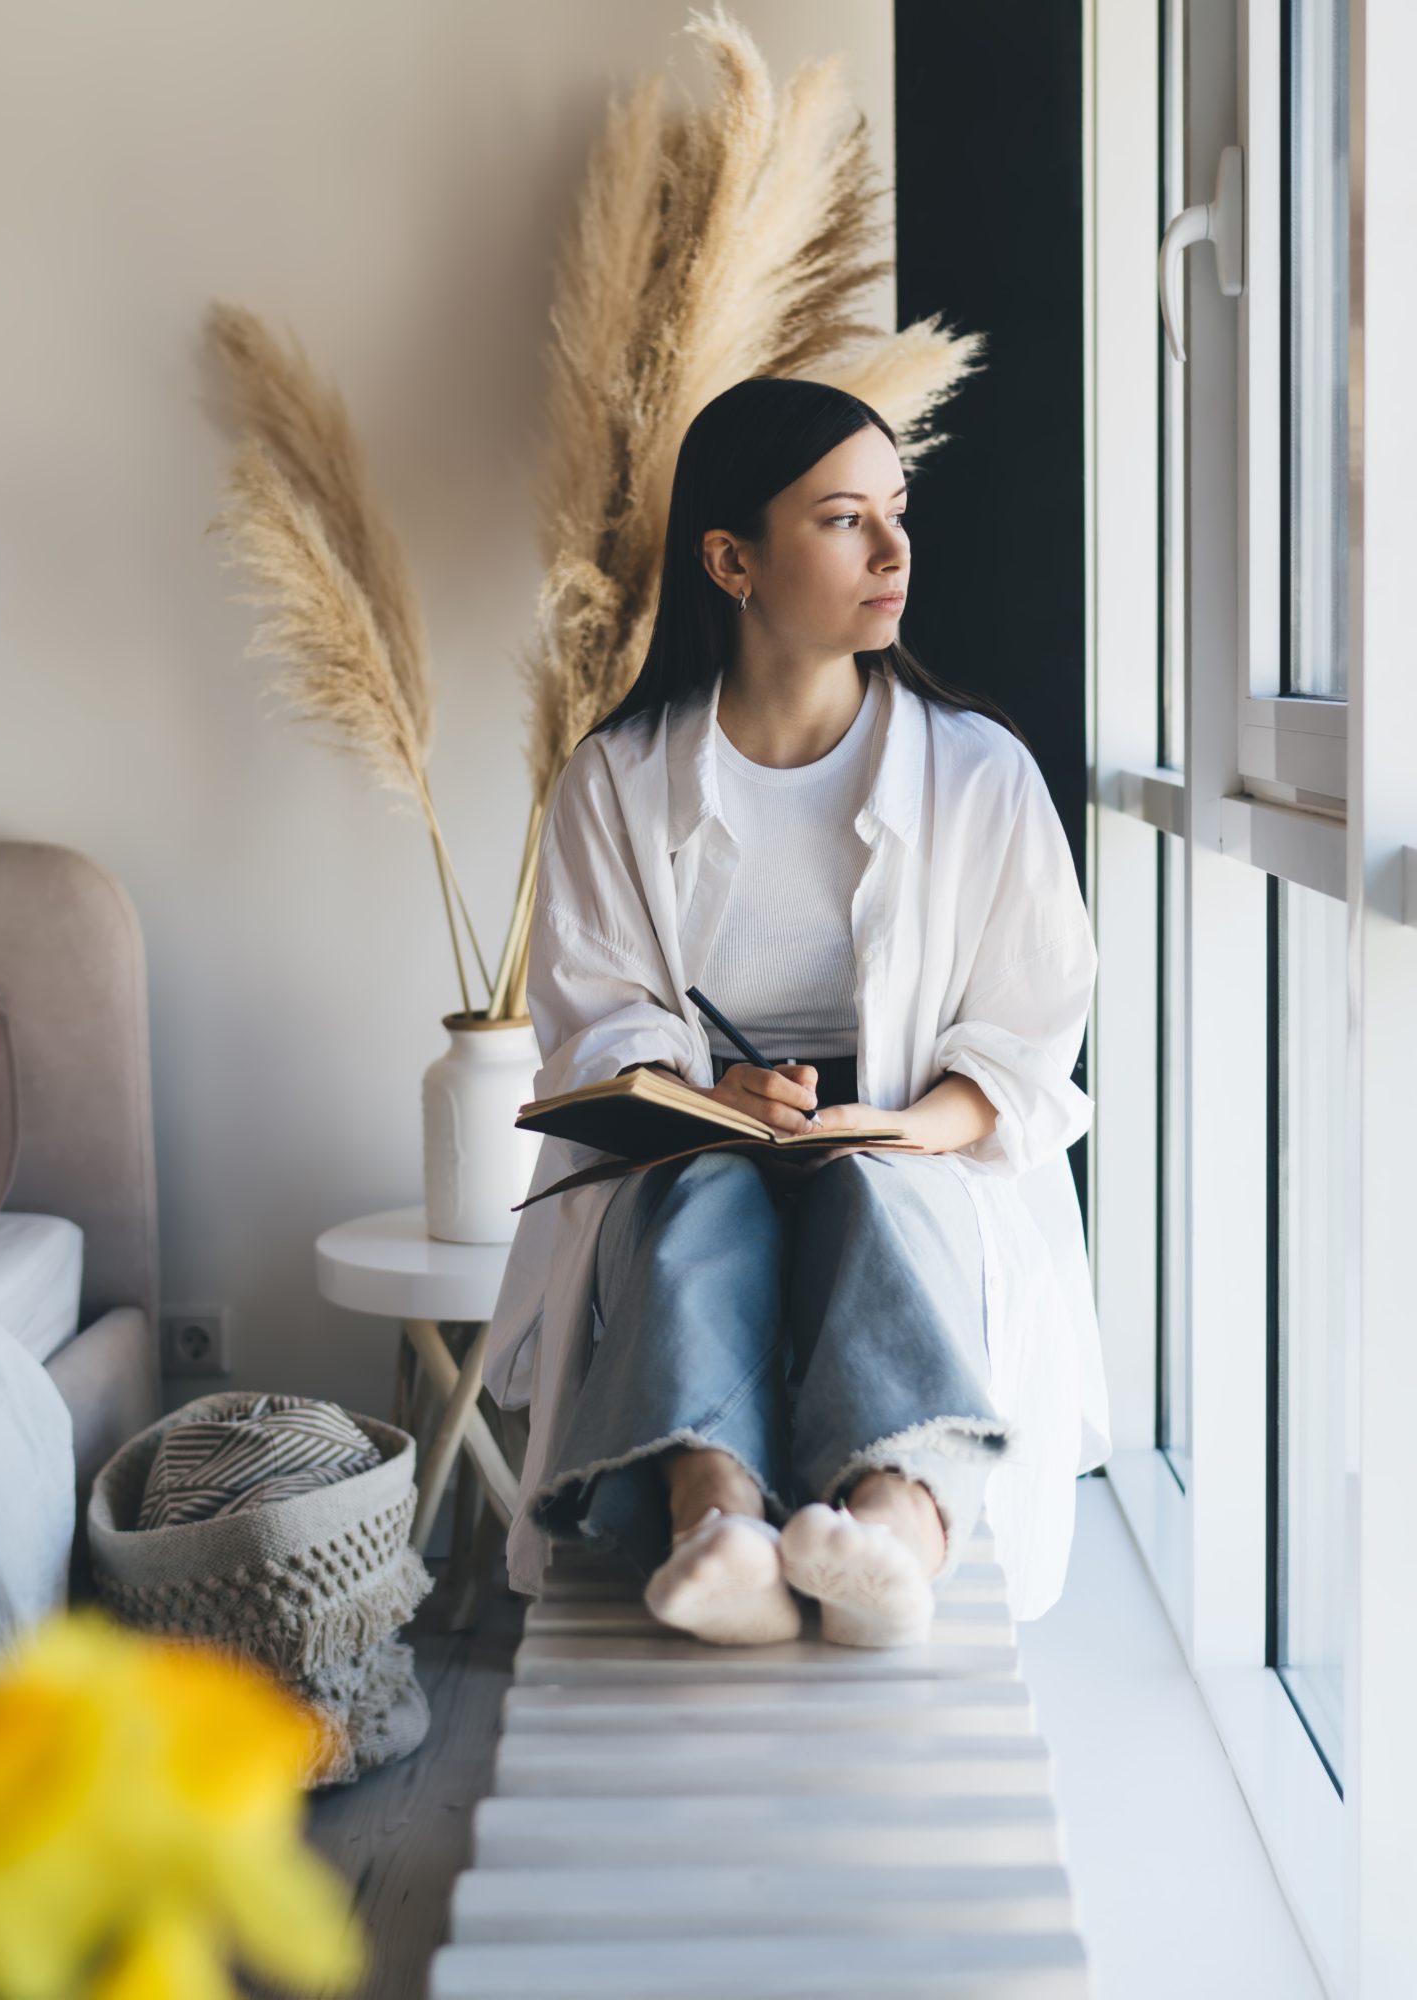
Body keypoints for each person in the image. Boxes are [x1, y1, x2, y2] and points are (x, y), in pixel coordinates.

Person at [481, 376, 1109, 1645]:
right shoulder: (614, 779)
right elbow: (597, 1016)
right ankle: (717, 1521)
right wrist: (706, 1102)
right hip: (702, 1130)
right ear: (731, 558)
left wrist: (906, 1125)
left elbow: (1033, 1026)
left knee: (876, 1198)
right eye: (841, 519)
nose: (893, 552)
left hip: (916, 1137)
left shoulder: (979, 773)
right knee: (699, 1197)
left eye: (896, 511)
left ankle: (892, 1526)